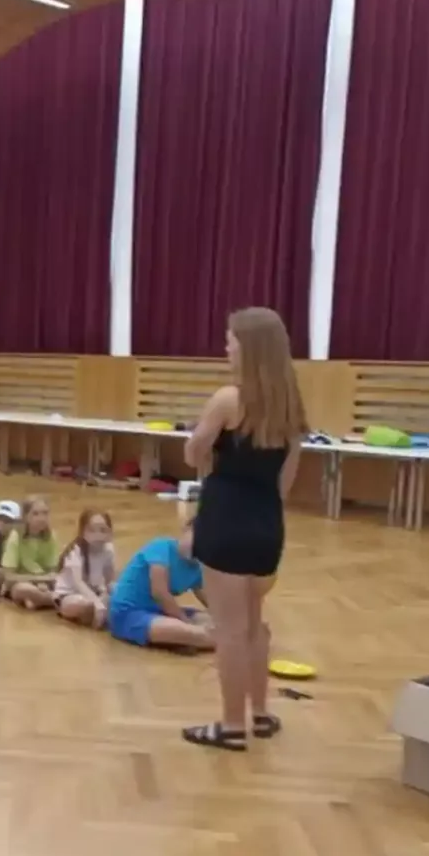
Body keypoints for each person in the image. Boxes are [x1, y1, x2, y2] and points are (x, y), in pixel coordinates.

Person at [181, 306, 305, 751]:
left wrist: (203, 441)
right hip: (267, 524)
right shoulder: (290, 407)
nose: (226, 346)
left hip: (226, 520)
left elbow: (193, 454)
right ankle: (261, 713)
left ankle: (232, 726)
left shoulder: (227, 399)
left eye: (231, 339)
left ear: (248, 347)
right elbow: (285, 482)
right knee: (254, 625)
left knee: (230, 631)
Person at [107, 524, 215, 652]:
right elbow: (159, 593)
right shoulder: (162, 547)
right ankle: (189, 639)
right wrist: (186, 622)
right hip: (129, 612)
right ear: (186, 530)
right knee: (197, 634)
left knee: (209, 620)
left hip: (159, 611)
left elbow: (210, 602)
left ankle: (178, 639)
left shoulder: (197, 567)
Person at [53, 510, 118, 628]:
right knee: (85, 605)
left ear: (109, 532)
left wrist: (117, 593)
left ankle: (97, 616)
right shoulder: (76, 551)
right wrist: (97, 603)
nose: (98, 535)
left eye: (103, 530)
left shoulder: (108, 549)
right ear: (83, 532)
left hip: (95, 592)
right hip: (69, 595)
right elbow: (79, 583)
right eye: (92, 530)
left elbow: (110, 580)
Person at [2, 496, 58, 610]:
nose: (42, 518)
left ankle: (39, 600)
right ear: (26, 517)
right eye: (35, 514)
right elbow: (9, 576)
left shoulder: (50, 536)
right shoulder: (16, 537)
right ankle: (53, 600)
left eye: (45, 513)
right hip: (21, 583)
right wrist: (39, 580)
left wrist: (44, 583)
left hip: (44, 584)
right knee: (23, 589)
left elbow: (52, 571)